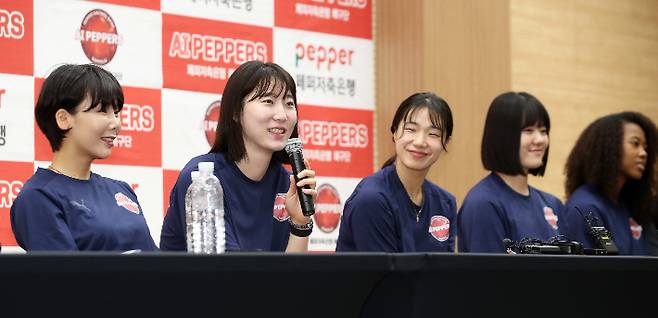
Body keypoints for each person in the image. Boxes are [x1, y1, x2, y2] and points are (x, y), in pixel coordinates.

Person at [160, 61, 317, 252]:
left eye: (289, 103)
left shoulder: (285, 183)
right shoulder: (203, 178)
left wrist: (300, 223)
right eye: (268, 101)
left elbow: (292, 277)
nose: (282, 115)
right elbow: (229, 273)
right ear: (235, 111)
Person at [10, 63, 157, 252]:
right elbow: (66, 277)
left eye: (117, 112)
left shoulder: (121, 189)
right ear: (63, 119)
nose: (116, 123)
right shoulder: (38, 197)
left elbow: (155, 263)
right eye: (102, 110)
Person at [335, 92, 456, 252]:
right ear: (394, 132)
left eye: (433, 134)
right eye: (411, 129)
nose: (420, 142)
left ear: (446, 142)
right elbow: (383, 275)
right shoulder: (372, 200)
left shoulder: (445, 203)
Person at [457, 91, 566, 253]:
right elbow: (488, 275)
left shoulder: (552, 204)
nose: (540, 140)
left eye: (543, 131)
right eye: (528, 130)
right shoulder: (483, 204)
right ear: (503, 137)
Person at [563, 111, 657, 255]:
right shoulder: (588, 209)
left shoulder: (628, 205)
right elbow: (609, 265)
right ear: (609, 147)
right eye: (635, 144)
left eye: (645, 147)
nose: (643, 153)